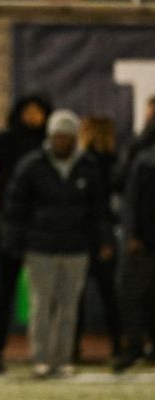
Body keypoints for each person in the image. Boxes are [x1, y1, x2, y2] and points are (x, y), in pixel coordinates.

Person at [1, 109, 113, 378]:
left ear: (75, 139)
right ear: (50, 137)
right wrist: (14, 241)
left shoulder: (88, 167)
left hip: (76, 248)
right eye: (57, 136)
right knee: (42, 305)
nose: (61, 141)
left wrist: (104, 241)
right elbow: (15, 207)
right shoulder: (32, 165)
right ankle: (41, 358)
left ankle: (63, 358)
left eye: (66, 136)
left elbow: (100, 210)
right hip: (40, 248)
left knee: (69, 306)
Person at [0, 94, 51, 375]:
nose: (33, 117)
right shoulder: (3, 142)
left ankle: (51, 353)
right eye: (28, 111)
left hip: (43, 230)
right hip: (10, 226)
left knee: (49, 295)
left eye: (38, 111)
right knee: (3, 291)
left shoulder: (51, 144)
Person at [77, 115, 121, 363]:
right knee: (106, 295)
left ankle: (73, 348)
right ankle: (117, 346)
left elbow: (100, 208)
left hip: (88, 237)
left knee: (80, 298)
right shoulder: (113, 162)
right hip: (100, 237)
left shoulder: (87, 164)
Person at [115, 140, 155, 371]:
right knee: (133, 295)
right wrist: (132, 233)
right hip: (145, 241)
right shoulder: (144, 159)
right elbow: (131, 198)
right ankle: (135, 345)